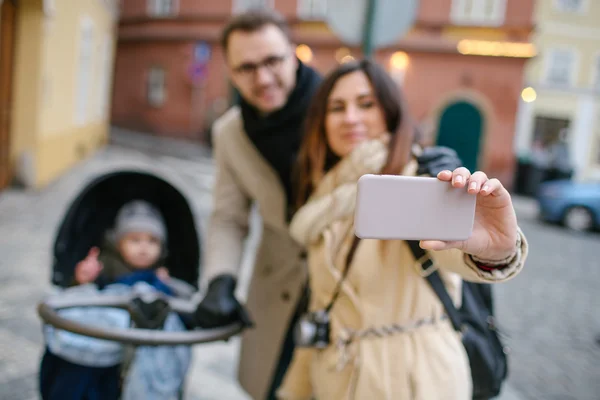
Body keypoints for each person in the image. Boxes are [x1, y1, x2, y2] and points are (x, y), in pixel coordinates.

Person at [191, 9, 464, 400]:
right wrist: (220, 278)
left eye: (272, 61)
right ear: (231, 73)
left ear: (294, 53)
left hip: (354, 291)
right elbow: (228, 216)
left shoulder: (337, 109)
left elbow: (388, 152)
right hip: (278, 288)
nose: (263, 78)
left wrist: (438, 186)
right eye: (247, 67)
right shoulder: (230, 134)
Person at [275, 59, 529, 399]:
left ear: (391, 112)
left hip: (416, 380)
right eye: (337, 108)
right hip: (335, 378)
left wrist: (496, 252)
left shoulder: (420, 181)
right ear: (322, 121)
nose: (350, 117)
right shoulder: (323, 193)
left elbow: (453, 254)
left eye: (366, 104)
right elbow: (322, 307)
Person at [39, 200, 180, 400]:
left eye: (152, 241)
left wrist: (164, 287)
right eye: (135, 239)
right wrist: (81, 280)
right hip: (99, 349)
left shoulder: (158, 279)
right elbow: (78, 303)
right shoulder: (102, 269)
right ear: (118, 241)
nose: (143, 247)